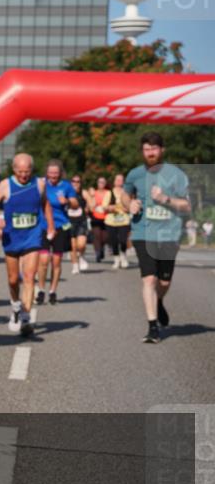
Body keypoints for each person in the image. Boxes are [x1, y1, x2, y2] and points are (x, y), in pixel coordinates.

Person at [121, 132, 191, 344]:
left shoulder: (176, 174)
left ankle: (158, 301)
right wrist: (130, 204)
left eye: (154, 148)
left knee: (164, 281)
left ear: (162, 150)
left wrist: (165, 199)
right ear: (142, 151)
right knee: (149, 279)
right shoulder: (135, 174)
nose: (150, 153)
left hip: (169, 234)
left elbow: (187, 205)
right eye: (146, 149)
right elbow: (124, 195)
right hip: (143, 232)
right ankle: (153, 327)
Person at [0, 153, 53, 338]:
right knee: (13, 280)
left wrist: (50, 226)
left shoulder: (40, 184)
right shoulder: (5, 185)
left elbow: (45, 204)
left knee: (29, 276)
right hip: (12, 237)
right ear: (13, 169)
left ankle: (26, 317)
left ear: (32, 169)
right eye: (20, 171)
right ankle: (16, 306)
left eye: (27, 171)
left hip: (32, 237)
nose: (24, 175)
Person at [35, 160, 78, 305]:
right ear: (46, 173)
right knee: (43, 260)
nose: (53, 175)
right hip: (43, 226)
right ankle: (41, 289)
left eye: (56, 173)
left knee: (56, 261)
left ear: (60, 173)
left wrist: (67, 201)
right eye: (50, 173)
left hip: (61, 227)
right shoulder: (41, 184)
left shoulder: (66, 186)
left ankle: (52, 291)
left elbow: (75, 203)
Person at [105, 173, 132, 269]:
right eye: (118, 180)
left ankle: (123, 255)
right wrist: (110, 207)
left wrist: (128, 208)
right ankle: (116, 258)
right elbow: (104, 206)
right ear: (114, 182)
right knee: (114, 241)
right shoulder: (109, 193)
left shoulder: (127, 193)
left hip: (124, 220)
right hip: (111, 221)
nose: (119, 181)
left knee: (123, 240)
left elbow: (131, 205)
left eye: (121, 180)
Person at [67, 174, 90, 275]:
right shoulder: (66, 192)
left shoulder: (83, 192)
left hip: (81, 221)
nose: (76, 183)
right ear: (70, 182)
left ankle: (82, 256)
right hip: (69, 222)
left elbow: (91, 201)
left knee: (81, 244)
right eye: (73, 181)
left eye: (78, 181)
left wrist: (90, 206)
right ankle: (75, 266)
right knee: (72, 246)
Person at [88, 176, 111, 263]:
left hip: (106, 218)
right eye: (99, 182)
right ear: (97, 183)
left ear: (105, 184)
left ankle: (102, 248)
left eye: (103, 182)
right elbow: (89, 204)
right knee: (96, 235)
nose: (101, 184)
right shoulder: (94, 193)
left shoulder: (108, 193)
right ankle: (97, 252)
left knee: (105, 237)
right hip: (95, 217)